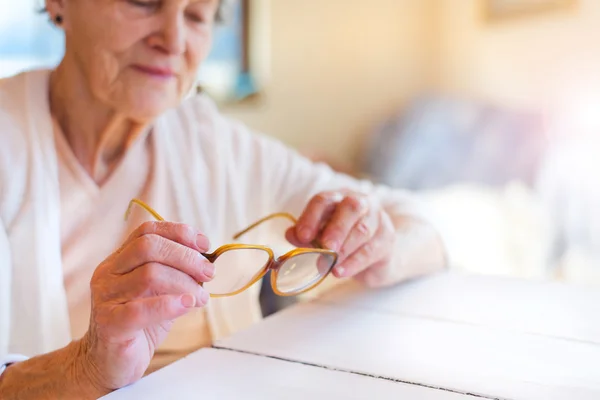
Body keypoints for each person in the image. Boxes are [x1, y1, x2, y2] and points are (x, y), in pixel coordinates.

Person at [0, 0, 446, 398]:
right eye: (143, 2)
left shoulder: (214, 145)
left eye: (197, 15)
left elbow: (422, 226)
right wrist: (86, 368)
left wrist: (378, 245)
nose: (173, 40)